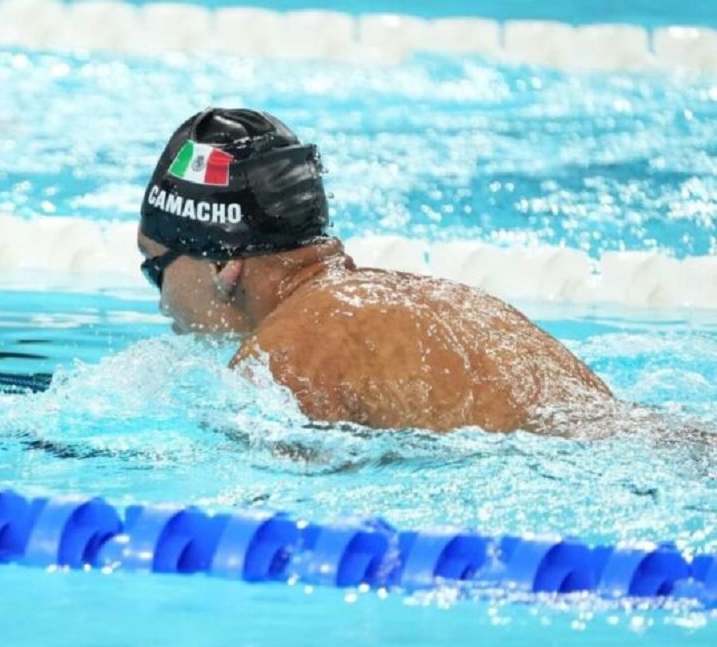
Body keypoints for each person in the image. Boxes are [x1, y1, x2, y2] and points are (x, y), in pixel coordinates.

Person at [136, 107, 615, 435]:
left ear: (224, 265)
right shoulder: (449, 302)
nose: (161, 302)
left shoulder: (285, 354)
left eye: (155, 269)